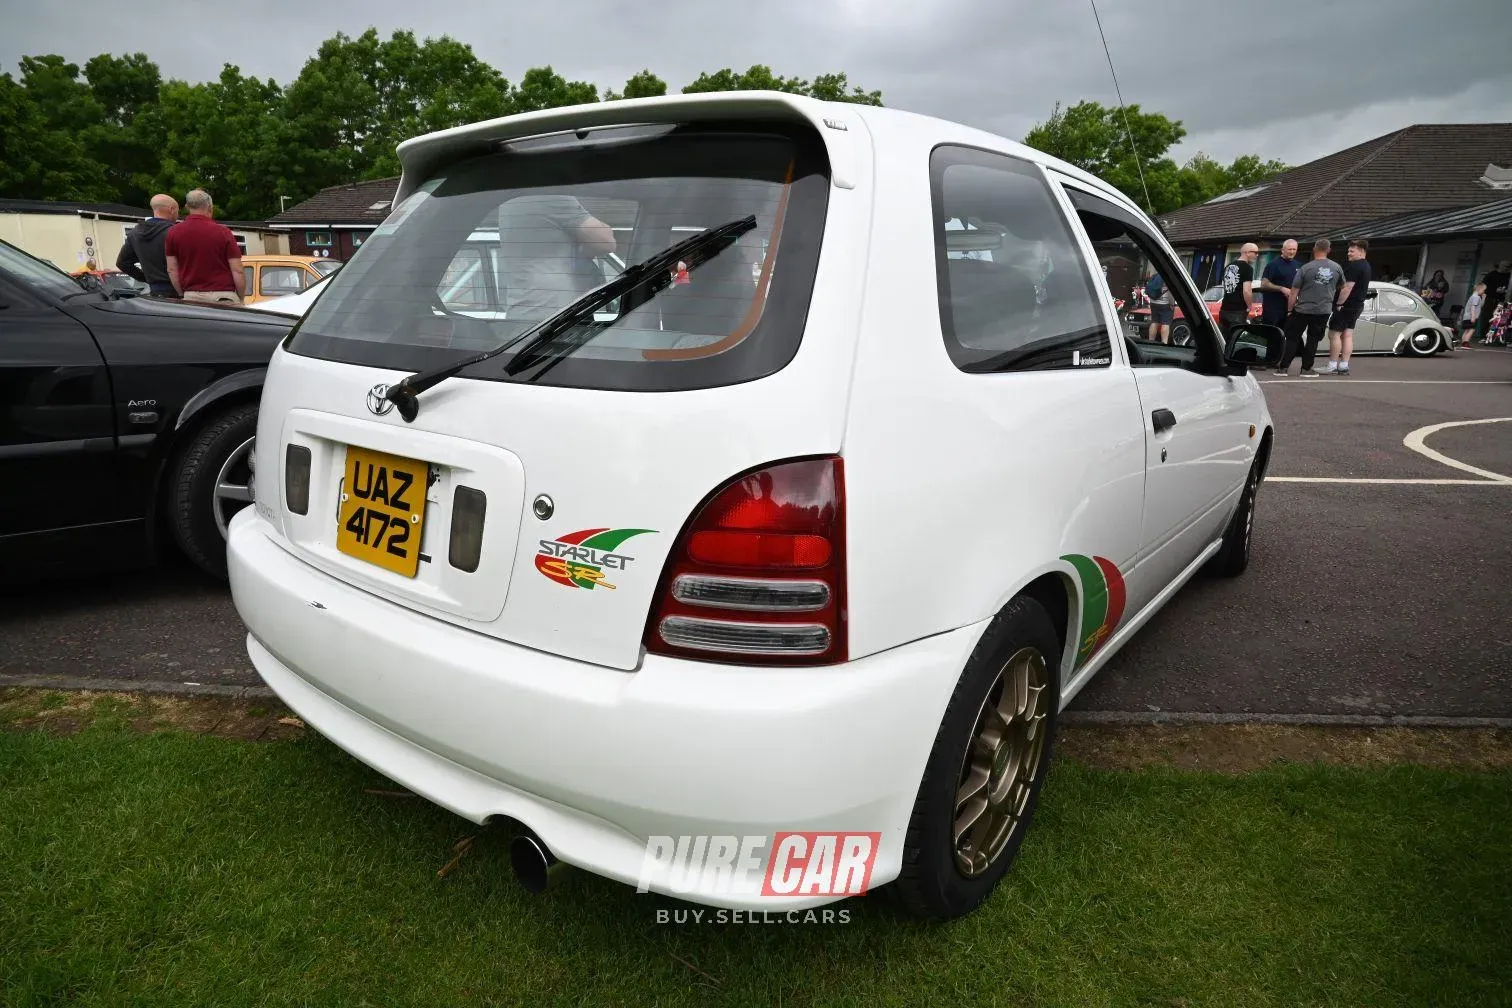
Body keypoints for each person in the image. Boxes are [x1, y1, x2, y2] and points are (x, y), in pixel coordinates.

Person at [496, 193, 617, 325]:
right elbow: (606, 242)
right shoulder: (550, 196)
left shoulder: (509, 199)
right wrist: (584, 246)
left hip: (521, 314)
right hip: (557, 318)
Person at [1274, 238, 1343, 377]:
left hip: (1302, 309)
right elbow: (1342, 287)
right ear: (1329, 250)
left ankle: (1283, 368)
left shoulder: (1305, 268)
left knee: (1292, 338)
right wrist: (1337, 302)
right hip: (1323, 310)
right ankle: (1306, 369)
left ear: (1314, 249)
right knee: (1313, 340)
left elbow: (1294, 291)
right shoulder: (1337, 268)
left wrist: (1289, 310)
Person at [164, 189, 245, 304]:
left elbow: (172, 269)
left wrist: (182, 294)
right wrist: (241, 298)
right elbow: (237, 270)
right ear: (210, 207)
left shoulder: (173, 232)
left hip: (192, 297)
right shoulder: (223, 232)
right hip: (224, 297)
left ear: (187, 207)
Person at [116, 194, 180, 298]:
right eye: (177, 211)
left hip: (155, 294)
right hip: (178, 292)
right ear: (172, 209)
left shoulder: (134, 234)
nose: (178, 215)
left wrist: (146, 278)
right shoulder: (176, 232)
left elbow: (122, 263)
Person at [1324, 239, 1372, 375]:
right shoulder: (1366, 266)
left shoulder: (1355, 266)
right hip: (1357, 305)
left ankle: (1332, 365)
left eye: (1352, 251)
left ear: (1361, 251)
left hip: (1346, 305)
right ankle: (1343, 366)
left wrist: (1339, 303)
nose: (1348, 253)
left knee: (1334, 334)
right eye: (1348, 251)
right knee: (1347, 335)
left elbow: (1347, 287)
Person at [1259, 238, 1300, 327]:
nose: (1292, 252)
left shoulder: (1297, 264)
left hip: (1290, 308)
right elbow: (1264, 284)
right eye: (1289, 249)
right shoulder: (1273, 264)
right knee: (1272, 333)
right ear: (1282, 250)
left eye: (1294, 249)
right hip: (1273, 309)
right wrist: (1281, 289)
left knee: (1287, 333)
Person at [1219, 243, 1259, 335]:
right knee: (1235, 337)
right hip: (1238, 310)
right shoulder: (1247, 268)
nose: (1257, 255)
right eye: (1255, 252)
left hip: (1224, 308)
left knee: (1224, 337)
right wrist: (1249, 306)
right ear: (1247, 252)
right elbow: (1247, 290)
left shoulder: (1228, 266)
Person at [1476, 260, 1510, 343]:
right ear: (1500, 266)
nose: (1506, 268)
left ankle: (1496, 337)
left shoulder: (1509, 276)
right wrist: (1495, 290)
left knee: (1501, 318)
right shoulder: (1491, 275)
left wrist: (1506, 291)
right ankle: (1483, 336)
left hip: (1503, 300)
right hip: (1490, 299)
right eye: (1505, 266)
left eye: (1508, 267)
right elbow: (1483, 287)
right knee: (1487, 317)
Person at [1145, 270, 1173, 343]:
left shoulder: (1155, 276)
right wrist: (1172, 304)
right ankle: (1164, 342)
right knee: (1166, 323)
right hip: (1165, 304)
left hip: (1153, 303)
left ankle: (1151, 342)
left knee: (1154, 322)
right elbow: (1171, 293)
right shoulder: (1169, 277)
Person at [1461, 282, 1485, 348]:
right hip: (1471, 316)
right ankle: (1466, 342)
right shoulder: (1476, 297)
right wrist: (1473, 316)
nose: (1483, 292)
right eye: (1483, 290)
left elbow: (1480, 305)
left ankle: (1463, 342)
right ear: (1479, 289)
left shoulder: (1473, 296)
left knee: (1467, 330)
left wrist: (1483, 298)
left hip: (1467, 316)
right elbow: (1473, 307)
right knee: (1472, 329)